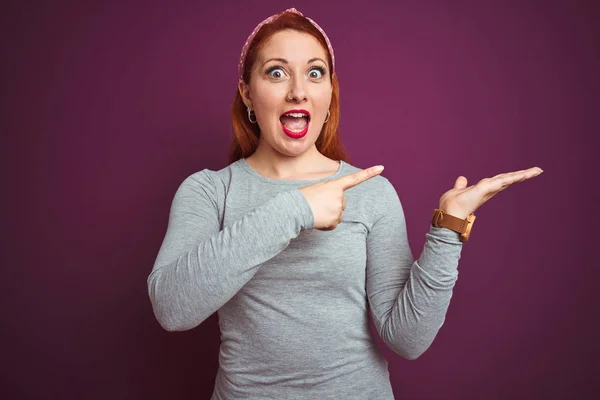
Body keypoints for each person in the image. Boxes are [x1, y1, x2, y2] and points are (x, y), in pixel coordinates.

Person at [147, 8, 543, 400]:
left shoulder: (371, 191)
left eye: (314, 72)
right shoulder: (209, 192)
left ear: (329, 93)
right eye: (277, 72)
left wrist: (449, 228)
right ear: (248, 92)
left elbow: (408, 339)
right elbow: (172, 309)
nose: (298, 90)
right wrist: (295, 209)